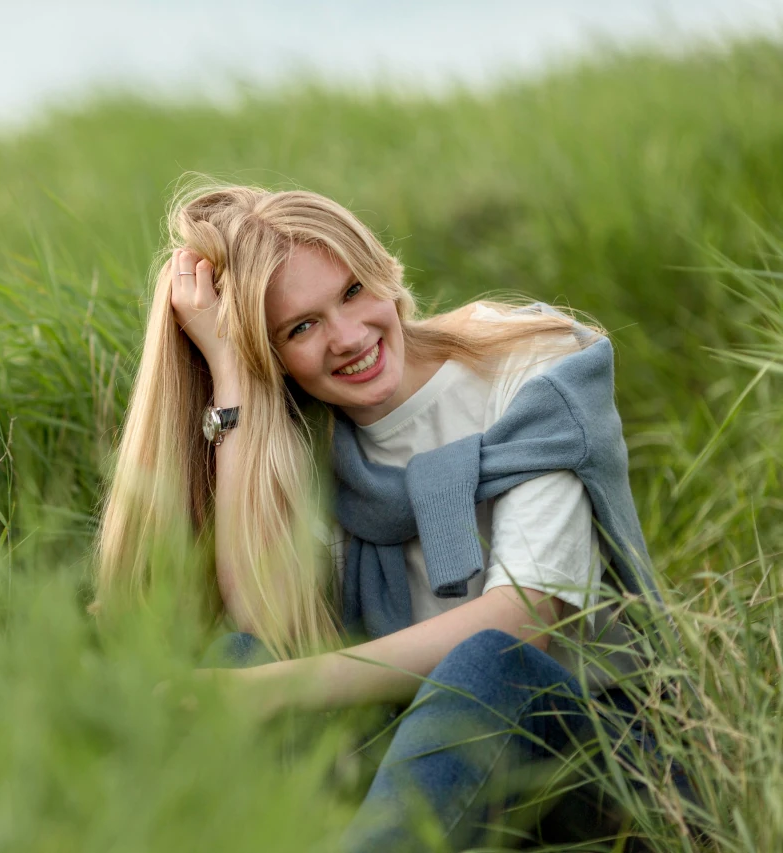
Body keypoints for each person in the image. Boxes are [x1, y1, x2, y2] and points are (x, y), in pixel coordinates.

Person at [91, 177, 690, 849]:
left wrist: (280, 688)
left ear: (383, 269)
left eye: (351, 291)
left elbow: (527, 618)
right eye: (301, 327)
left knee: (487, 661)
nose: (348, 337)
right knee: (238, 656)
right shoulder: (310, 443)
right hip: (415, 774)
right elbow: (269, 625)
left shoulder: (528, 361)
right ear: (275, 358)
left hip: (598, 767)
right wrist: (232, 381)